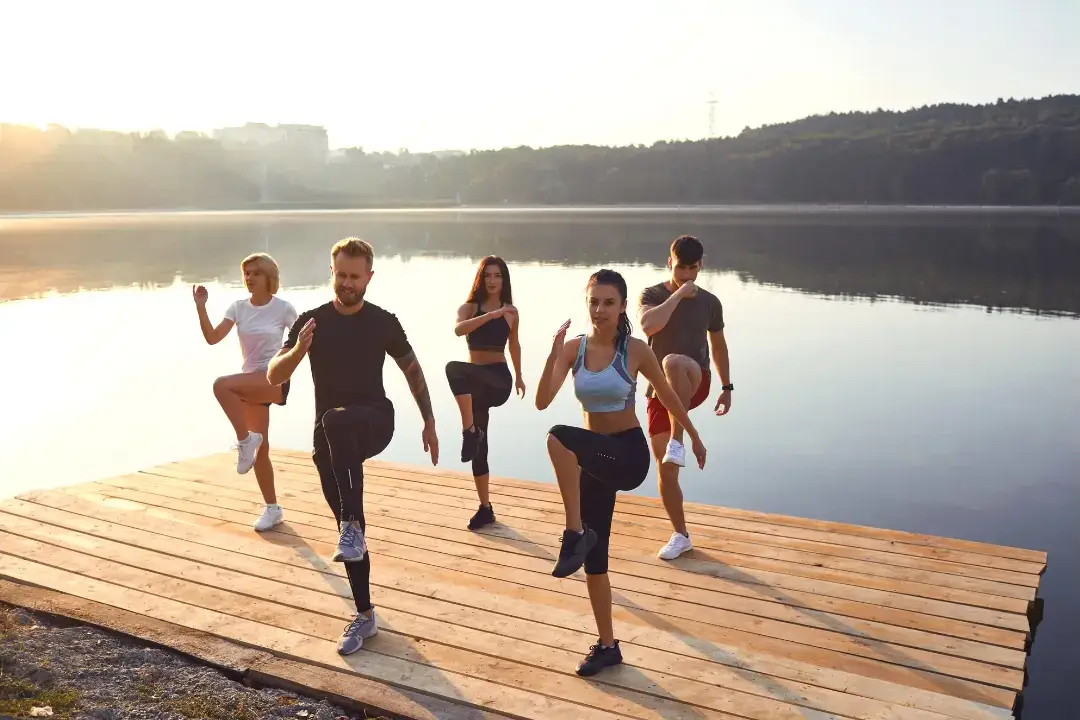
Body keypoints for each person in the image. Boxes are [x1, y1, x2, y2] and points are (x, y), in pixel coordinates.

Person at [267, 237, 438, 657]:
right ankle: (365, 614)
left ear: (369, 278)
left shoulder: (383, 321)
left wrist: (429, 420)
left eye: (354, 277)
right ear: (332, 271)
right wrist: (299, 350)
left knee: (337, 421)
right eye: (340, 274)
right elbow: (274, 374)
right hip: (328, 439)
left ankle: (351, 528)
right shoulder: (311, 322)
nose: (346, 283)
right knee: (350, 526)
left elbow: (412, 370)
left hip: (374, 420)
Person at [535, 268, 707, 677]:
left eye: (608, 302)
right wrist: (552, 352)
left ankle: (574, 532)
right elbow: (542, 400)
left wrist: (694, 437)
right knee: (596, 561)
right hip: (596, 459)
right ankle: (608, 645)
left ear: (623, 306)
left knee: (558, 438)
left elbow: (667, 398)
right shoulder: (574, 349)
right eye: (594, 302)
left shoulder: (634, 350)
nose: (599, 310)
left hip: (628, 455)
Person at [638, 235, 732, 561]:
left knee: (673, 361)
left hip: (697, 381)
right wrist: (678, 294)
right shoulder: (653, 295)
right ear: (670, 262)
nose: (689, 275)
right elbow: (649, 326)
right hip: (659, 392)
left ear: (701, 264)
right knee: (666, 472)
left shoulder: (710, 302)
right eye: (682, 268)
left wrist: (727, 387)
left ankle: (679, 441)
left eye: (694, 268)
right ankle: (681, 535)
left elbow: (718, 346)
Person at [193, 252, 298, 532]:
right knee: (261, 451)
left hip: (273, 379)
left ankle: (243, 440)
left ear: (268, 277)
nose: (249, 278)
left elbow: (304, 342)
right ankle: (273, 509)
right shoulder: (238, 307)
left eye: (255, 273)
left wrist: (290, 359)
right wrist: (201, 307)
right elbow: (213, 338)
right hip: (250, 382)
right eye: (246, 273)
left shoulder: (284, 308)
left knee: (221, 385)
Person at [445, 256, 526, 530]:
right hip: (474, 384)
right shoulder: (469, 308)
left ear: (504, 280)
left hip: (498, 380)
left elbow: (514, 346)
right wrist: (489, 315)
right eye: (488, 275)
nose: (493, 280)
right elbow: (458, 330)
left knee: (454, 369)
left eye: (498, 276)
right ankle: (485, 507)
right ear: (481, 278)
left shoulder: (511, 312)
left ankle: (468, 431)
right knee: (479, 450)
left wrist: (520, 377)